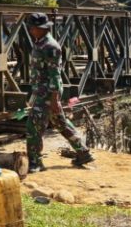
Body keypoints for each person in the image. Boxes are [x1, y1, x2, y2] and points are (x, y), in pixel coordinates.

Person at [25, 13, 94, 172]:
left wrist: (54, 99)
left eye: (32, 28)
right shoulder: (40, 43)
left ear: (40, 28)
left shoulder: (50, 46)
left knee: (33, 126)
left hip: (47, 92)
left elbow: (55, 74)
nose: (30, 30)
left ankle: (35, 162)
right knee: (60, 123)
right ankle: (83, 152)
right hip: (41, 91)